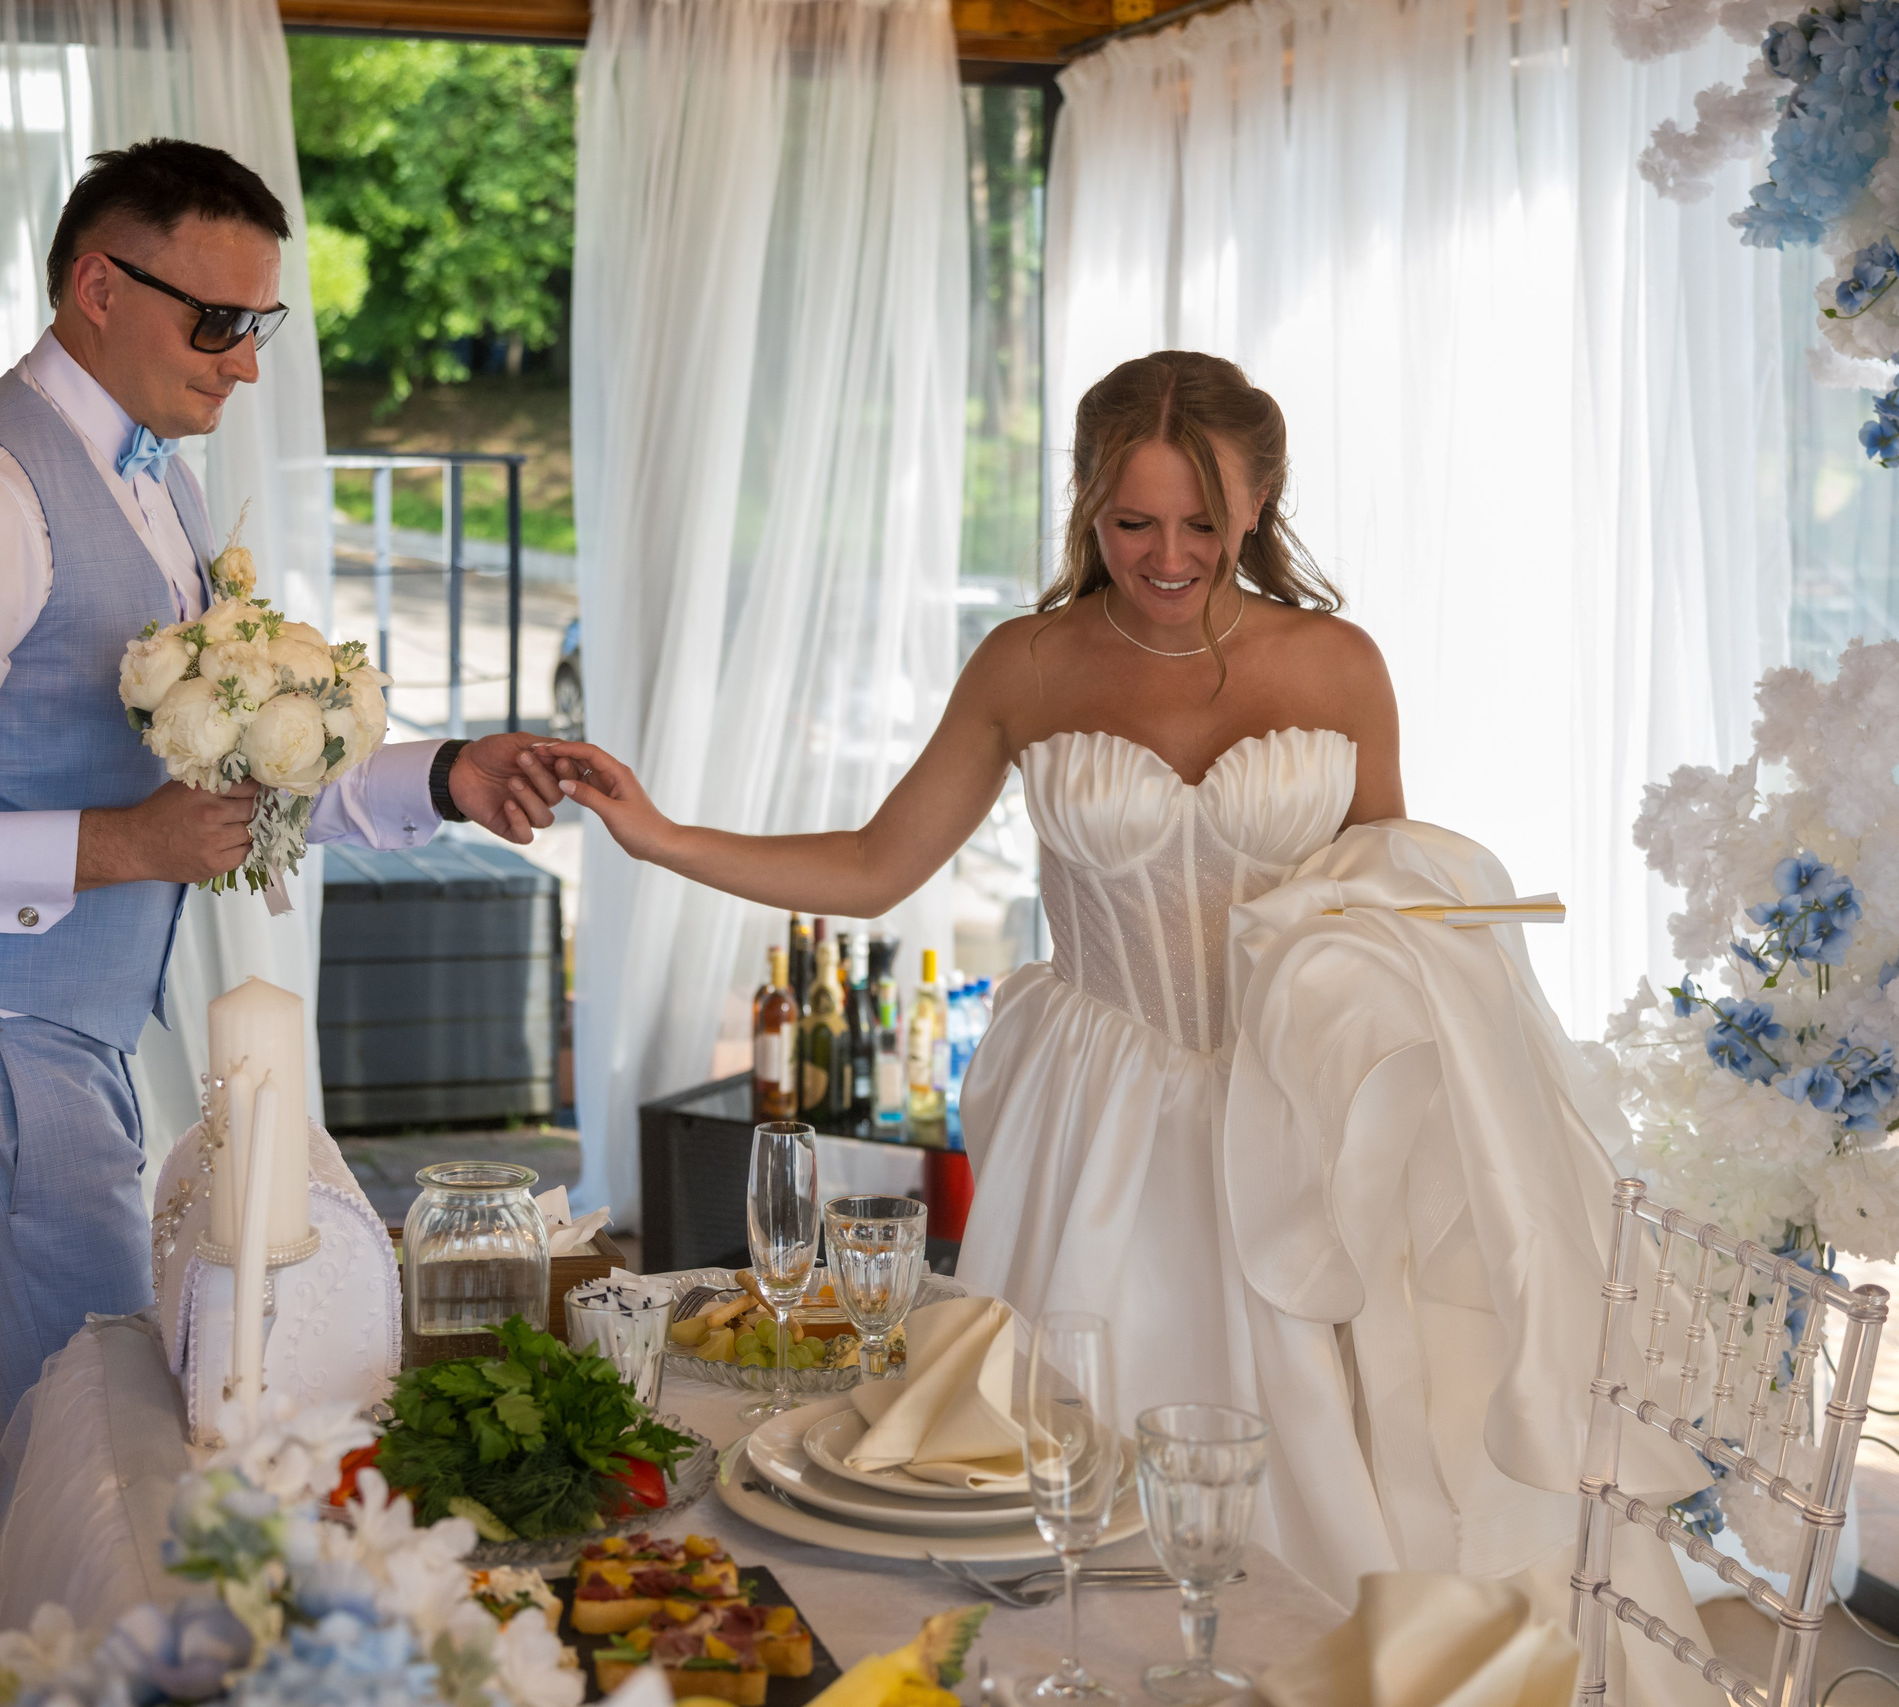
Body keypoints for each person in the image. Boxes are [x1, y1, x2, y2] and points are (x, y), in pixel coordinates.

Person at [549, 352, 1710, 1696]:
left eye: (1202, 525)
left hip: (1289, 1113)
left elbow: (1387, 895)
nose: (1167, 558)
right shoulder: (1028, 663)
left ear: (1262, 502)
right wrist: (660, 836)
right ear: (1088, 508)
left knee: (1322, 1460)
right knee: (1051, 1479)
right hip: (1096, 1118)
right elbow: (876, 866)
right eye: (1132, 523)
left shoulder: (1337, 665)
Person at [0, 139, 564, 1619]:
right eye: (219, 322)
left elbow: (229, 790)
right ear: (95, 287)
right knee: (136, 1497)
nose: (246, 365)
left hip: (15, 1053)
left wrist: (447, 776)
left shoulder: (155, 493)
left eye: (263, 327)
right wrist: (114, 846)